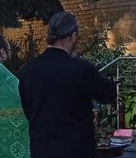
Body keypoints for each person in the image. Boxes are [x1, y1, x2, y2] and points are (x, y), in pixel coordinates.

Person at [18, 12, 117, 158]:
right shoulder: (80, 68)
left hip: (41, 150)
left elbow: (28, 109)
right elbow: (110, 94)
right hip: (76, 150)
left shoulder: (27, 70)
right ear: (73, 36)